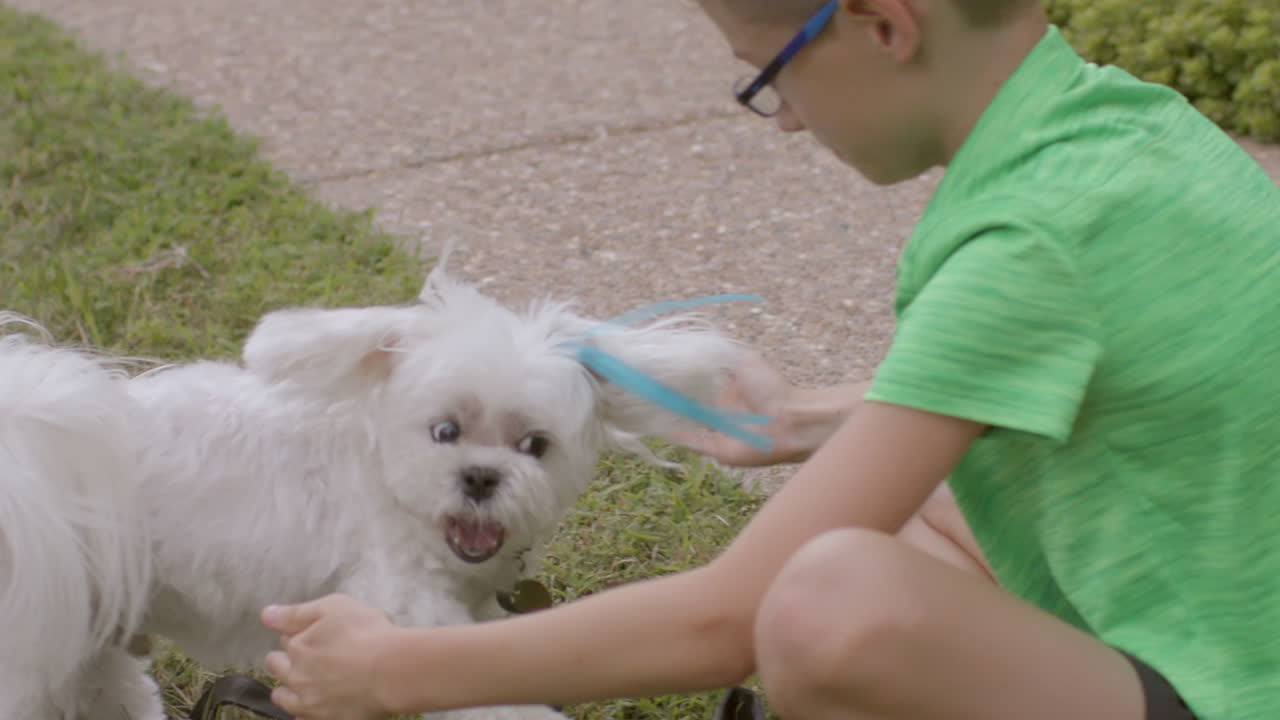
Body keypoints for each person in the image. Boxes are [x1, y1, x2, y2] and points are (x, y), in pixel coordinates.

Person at [260, 0, 1280, 718]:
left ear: (882, 24)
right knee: (916, 502)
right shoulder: (1125, 128)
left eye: (768, 76)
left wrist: (397, 667)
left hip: (1234, 688)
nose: (783, 117)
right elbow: (1060, 386)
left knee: (825, 600)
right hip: (1220, 620)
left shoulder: (1025, 245)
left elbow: (726, 619)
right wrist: (795, 423)